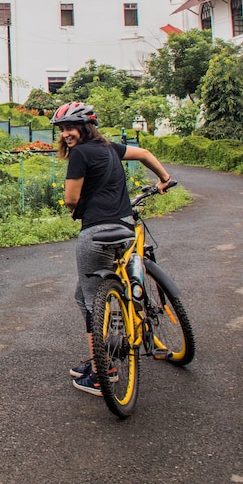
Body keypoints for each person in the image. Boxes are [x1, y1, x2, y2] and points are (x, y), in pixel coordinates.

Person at [52, 101, 173, 395]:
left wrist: (75, 208)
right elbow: (143, 153)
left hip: (95, 233)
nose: (66, 134)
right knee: (91, 291)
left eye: (71, 127)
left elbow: (70, 198)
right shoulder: (110, 148)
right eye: (63, 129)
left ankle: (101, 370)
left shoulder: (79, 154)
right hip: (124, 228)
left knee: (91, 300)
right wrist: (164, 179)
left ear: (85, 127)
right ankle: (126, 318)